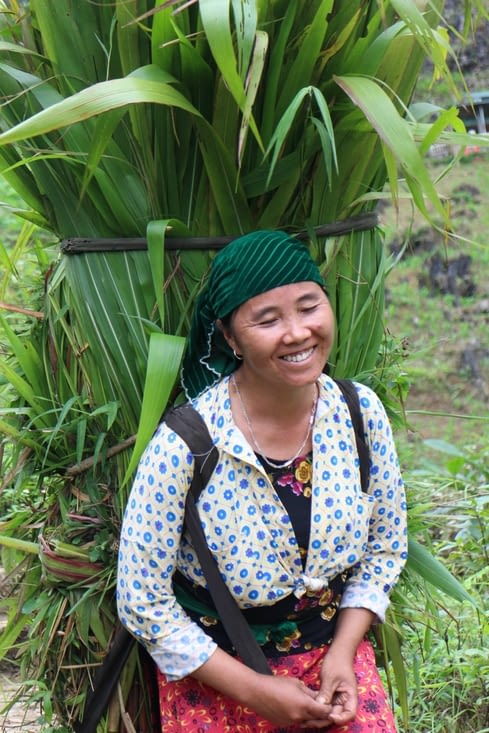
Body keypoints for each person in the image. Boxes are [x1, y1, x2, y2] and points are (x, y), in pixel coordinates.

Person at [116, 229, 408, 732]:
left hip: (334, 665)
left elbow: (384, 547)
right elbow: (143, 602)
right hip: (219, 681)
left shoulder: (360, 413)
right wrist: (258, 692)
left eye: (309, 307)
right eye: (267, 319)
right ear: (229, 337)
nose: (296, 333)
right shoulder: (186, 444)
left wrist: (343, 654)